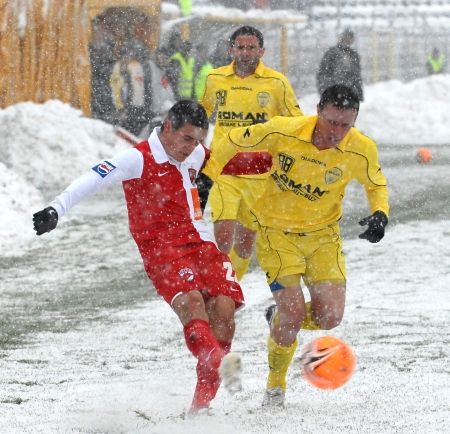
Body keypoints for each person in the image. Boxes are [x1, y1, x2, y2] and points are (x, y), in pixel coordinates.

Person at [32, 100, 244, 415]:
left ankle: (200, 409)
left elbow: (228, 165)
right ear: (168, 127)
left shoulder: (195, 152)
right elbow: (95, 177)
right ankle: (217, 361)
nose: (192, 148)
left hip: (199, 244)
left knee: (224, 310)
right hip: (163, 251)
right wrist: (56, 208)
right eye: (187, 139)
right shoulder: (138, 158)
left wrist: (273, 163)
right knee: (193, 304)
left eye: (198, 140)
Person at [224, 84, 389, 406]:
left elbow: (376, 183)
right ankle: (275, 385)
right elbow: (232, 140)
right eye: (331, 122)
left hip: (323, 238)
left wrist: (380, 214)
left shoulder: (360, 148)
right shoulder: (284, 131)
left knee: (329, 318)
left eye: (345, 125)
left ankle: (280, 317)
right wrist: (207, 171)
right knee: (294, 312)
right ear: (318, 111)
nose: (337, 132)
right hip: (276, 235)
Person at [199, 25, 303, 281]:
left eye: (251, 48)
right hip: (224, 171)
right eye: (240, 47)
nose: (245, 53)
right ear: (231, 49)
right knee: (223, 236)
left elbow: (295, 123)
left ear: (262, 51)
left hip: (260, 175)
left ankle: (233, 284)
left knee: (245, 245)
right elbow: (200, 117)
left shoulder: (277, 83)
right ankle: (221, 289)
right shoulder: (215, 79)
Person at [316, 28, 364, 101]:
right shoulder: (331, 53)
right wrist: (326, 91)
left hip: (350, 95)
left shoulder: (354, 55)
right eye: (346, 37)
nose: (348, 40)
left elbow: (356, 76)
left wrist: (358, 93)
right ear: (341, 38)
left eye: (350, 38)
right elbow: (323, 74)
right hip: (334, 94)